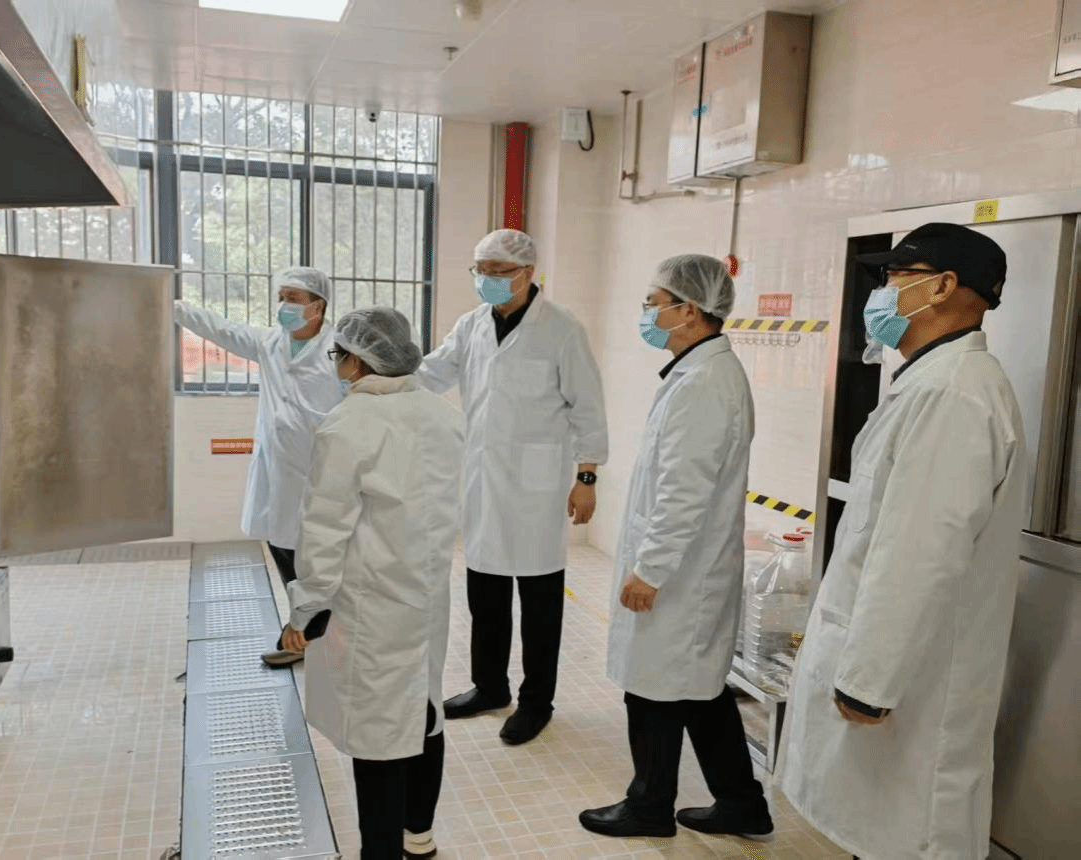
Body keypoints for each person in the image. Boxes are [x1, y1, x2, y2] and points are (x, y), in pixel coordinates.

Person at [779, 223, 1026, 860]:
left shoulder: (953, 394)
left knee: (913, 833)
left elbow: (919, 554)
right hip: (904, 667)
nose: (881, 294)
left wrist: (870, 682)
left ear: (942, 287)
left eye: (895, 278)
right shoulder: (932, 381)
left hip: (916, 681)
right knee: (886, 831)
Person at [578, 255, 773, 841]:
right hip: (691, 568)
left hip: (683, 573)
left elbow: (683, 493)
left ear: (688, 311)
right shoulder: (698, 375)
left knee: (656, 689)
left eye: (653, 302)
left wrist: (650, 569)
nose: (646, 312)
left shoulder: (706, 384)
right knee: (699, 691)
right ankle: (742, 803)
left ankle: (649, 806)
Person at [279, 306, 464, 860]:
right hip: (426, 593)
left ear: (358, 361)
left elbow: (323, 531)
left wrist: (305, 609)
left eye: (337, 355)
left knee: (379, 732)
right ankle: (419, 836)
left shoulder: (347, 425)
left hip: (370, 602)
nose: (336, 364)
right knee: (424, 710)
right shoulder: (442, 415)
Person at [417, 228, 609, 745]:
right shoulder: (471, 325)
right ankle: (489, 687)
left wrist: (587, 477)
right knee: (485, 593)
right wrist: (383, 376)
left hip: (537, 486)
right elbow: (432, 373)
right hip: (483, 479)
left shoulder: (562, 328)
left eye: (498, 272)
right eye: (480, 271)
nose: (487, 281)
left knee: (540, 602)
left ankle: (536, 702)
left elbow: (588, 407)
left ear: (527, 273)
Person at [174, 267, 340, 667]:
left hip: (326, 472)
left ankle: (313, 634)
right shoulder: (270, 342)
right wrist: (173, 305)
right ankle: (304, 631)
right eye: (281, 297)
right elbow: (219, 328)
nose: (283, 306)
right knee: (284, 548)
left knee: (323, 559)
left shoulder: (340, 349)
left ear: (318, 306)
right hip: (279, 470)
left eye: (293, 298)